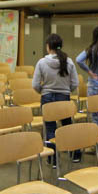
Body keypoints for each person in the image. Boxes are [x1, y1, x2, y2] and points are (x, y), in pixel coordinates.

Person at [32, 33, 81, 163]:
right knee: (67, 126)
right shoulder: (68, 61)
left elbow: (35, 84)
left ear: (48, 46)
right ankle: (75, 154)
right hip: (64, 97)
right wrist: (66, 91)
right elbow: (75, 83)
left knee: (50, 128)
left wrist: (43, 91)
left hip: (47, 98)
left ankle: (53, 158)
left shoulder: (42, 62)